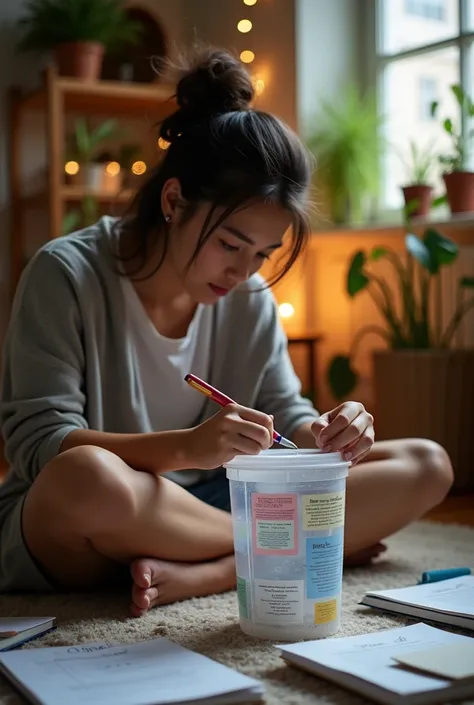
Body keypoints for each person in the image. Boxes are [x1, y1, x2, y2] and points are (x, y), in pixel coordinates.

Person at [0, 48, 453, 617]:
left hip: (213, 503)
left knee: (426, 463)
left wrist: (331, 433)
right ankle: (284, 549)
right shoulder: (65, 273)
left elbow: (285, 415)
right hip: (100, 519)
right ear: (173, 201)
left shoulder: (248, 298)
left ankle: (213, 569)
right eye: (230, 244)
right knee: (85, 479)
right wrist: (188, 448)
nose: (243, 272)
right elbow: (40, 446)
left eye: (263, 253)